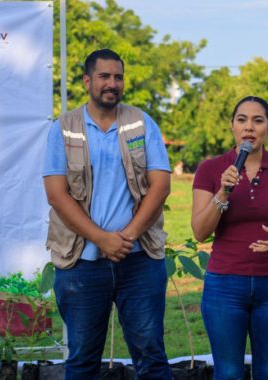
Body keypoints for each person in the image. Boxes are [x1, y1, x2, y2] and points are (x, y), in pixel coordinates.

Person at [43, 49, 172, 379]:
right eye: (104, 76)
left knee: (151, 357)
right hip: (81, 265)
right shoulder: (64, 128)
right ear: (88, 81)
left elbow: (160, 185)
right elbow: (57, 195)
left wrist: (126, 237)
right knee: (83, 361)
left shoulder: (141, 123)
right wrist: (102, 239)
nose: (112, 83)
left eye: (118, 77)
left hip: (139, 259)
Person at [191, 96, 268, 379]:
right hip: (224, 286)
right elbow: (200, 231)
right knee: (229, 372)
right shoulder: (211, 170)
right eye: (242, 120)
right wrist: (222, 192)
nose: (249, 127)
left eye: (258, 120)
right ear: (232, 126)